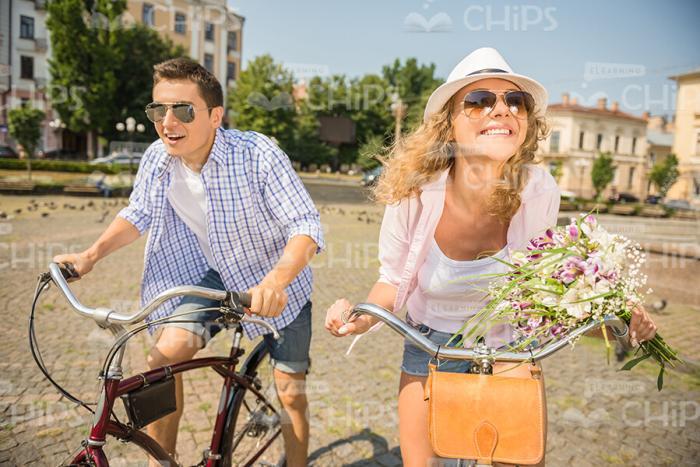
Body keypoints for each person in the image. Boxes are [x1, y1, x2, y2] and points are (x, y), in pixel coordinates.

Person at [325, 47, 657, 467]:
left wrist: (614, 313)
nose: (501, 110)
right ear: (448, 125)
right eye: (480, 101)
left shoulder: (537, 189)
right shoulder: (415, 191)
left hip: (508, 346)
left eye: (514, 101)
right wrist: (361, 316)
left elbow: (546, 287)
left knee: (519, 457)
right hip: (429, 347)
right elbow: (391, 279)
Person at [54, 58, 323, 466]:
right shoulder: (157, 158)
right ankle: (162, 460)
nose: (167, 121)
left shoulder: (258, 154)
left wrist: (276, 281)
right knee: (164, 359)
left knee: (290, 390)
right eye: (157, 109)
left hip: (278, 288)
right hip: (217, 279)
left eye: (182, 109)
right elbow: (137, 213)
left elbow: (305, 223)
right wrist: (90, 256)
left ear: (216, 116)